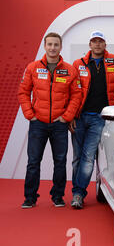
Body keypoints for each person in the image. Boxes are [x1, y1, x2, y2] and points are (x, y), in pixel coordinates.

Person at [18, 32, 82, 208]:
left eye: (56, 45)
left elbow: (76, 95)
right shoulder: (32, 67)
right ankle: (30, 198)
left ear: (60, 47)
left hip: (59, 124)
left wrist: (67, 117)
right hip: (38, 123)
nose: (53, 48)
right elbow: (23, 92)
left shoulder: (70, 70)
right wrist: (30, 114)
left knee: (60, 161)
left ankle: (58, 196)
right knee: (33, 161)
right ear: (45, 46)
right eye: (50, 44)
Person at [70, 31, 114, 209]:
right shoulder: (78, 64)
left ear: (105, 44)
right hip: (79, 117)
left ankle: (78, 194)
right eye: (94, 41)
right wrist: (70, 115)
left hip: (99, 118)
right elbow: (71, 91)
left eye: (100, 41)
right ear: (89, 44)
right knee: (77, 158)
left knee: (88, 157)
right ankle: (76, 191)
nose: (97, 44)